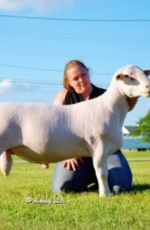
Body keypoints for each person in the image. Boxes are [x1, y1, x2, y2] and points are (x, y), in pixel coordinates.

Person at [53, 59, 136, 194]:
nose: (81, 80)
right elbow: (55, 126)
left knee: (120, 189)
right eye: (75, 78)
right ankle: (94, 178)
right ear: (68, 82)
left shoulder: (107, 95)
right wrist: (67, 155)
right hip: (77, 154)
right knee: (62, 190)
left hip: (108, 153)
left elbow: (128, 107)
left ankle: (105, 179)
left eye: (83, 75)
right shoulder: (63, 97)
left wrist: (135, 93)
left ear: (89, 73)